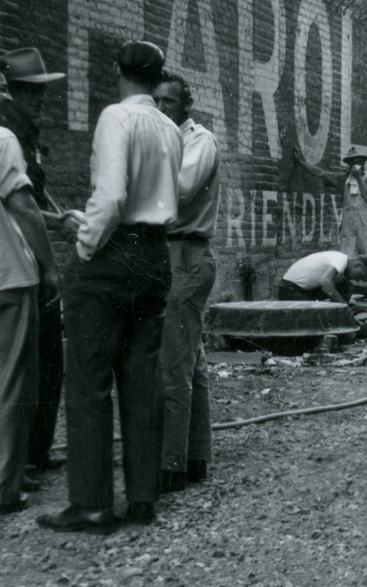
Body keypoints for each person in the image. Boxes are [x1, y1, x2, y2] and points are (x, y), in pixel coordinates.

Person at [38, 41, 181, 535]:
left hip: (113, 254)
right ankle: (143, 497)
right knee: (141, 378)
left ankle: (92, 504)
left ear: (119, 71)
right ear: (157, 77)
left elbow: (113, 195)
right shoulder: (169, 126)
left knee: (89, 379)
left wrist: (84, 246)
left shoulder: (116, 117)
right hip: (155, 254)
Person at [0, 48, 77, 479]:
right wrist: (54, 238)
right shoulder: (8, 137)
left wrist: (57, 219)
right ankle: (23, 459)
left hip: (24, 261)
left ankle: (35, 453)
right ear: (8, 94)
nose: (39, 99)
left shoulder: (26, 136)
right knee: (29, 368)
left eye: (41, 91)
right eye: (29, 91)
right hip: (19, 264)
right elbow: (20, 208)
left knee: (45, 360)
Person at [152, 72, 220, 495]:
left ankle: (170, 464)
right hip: (173, 253)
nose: (161, 109)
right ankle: (195, 457)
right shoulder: (166, 140)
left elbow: (178, 190)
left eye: (169, 102)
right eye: (156, 101)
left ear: (186, 106)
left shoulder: (199, 141)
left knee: (172, 364)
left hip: (186, 254)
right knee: (191, 359)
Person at [0, 71, 58, 516]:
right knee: (13, 382)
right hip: (10, 276)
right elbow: (22, 207)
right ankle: (6, 485)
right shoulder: (4, 140)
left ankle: (18, 469)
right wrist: (51, 267)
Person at [294, 145, 367, 260]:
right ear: (349, 164)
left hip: (366, 226)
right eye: (353, 162)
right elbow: (320, 173)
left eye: (359, 162)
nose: (356, 165)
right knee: (348, 260)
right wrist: (300, 162)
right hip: (348, 226)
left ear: (363, 162)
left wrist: (358, 178)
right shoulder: (344, 179)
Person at [278, 252, 367, 303]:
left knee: (347, 286)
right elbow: (325, 282)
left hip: (304, 289)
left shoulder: (341, 269)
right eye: (360, 276)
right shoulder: (340, 260)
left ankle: (338, 319)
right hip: (289, 288)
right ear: (357, 265)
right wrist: (343, 305)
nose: (357, 280)